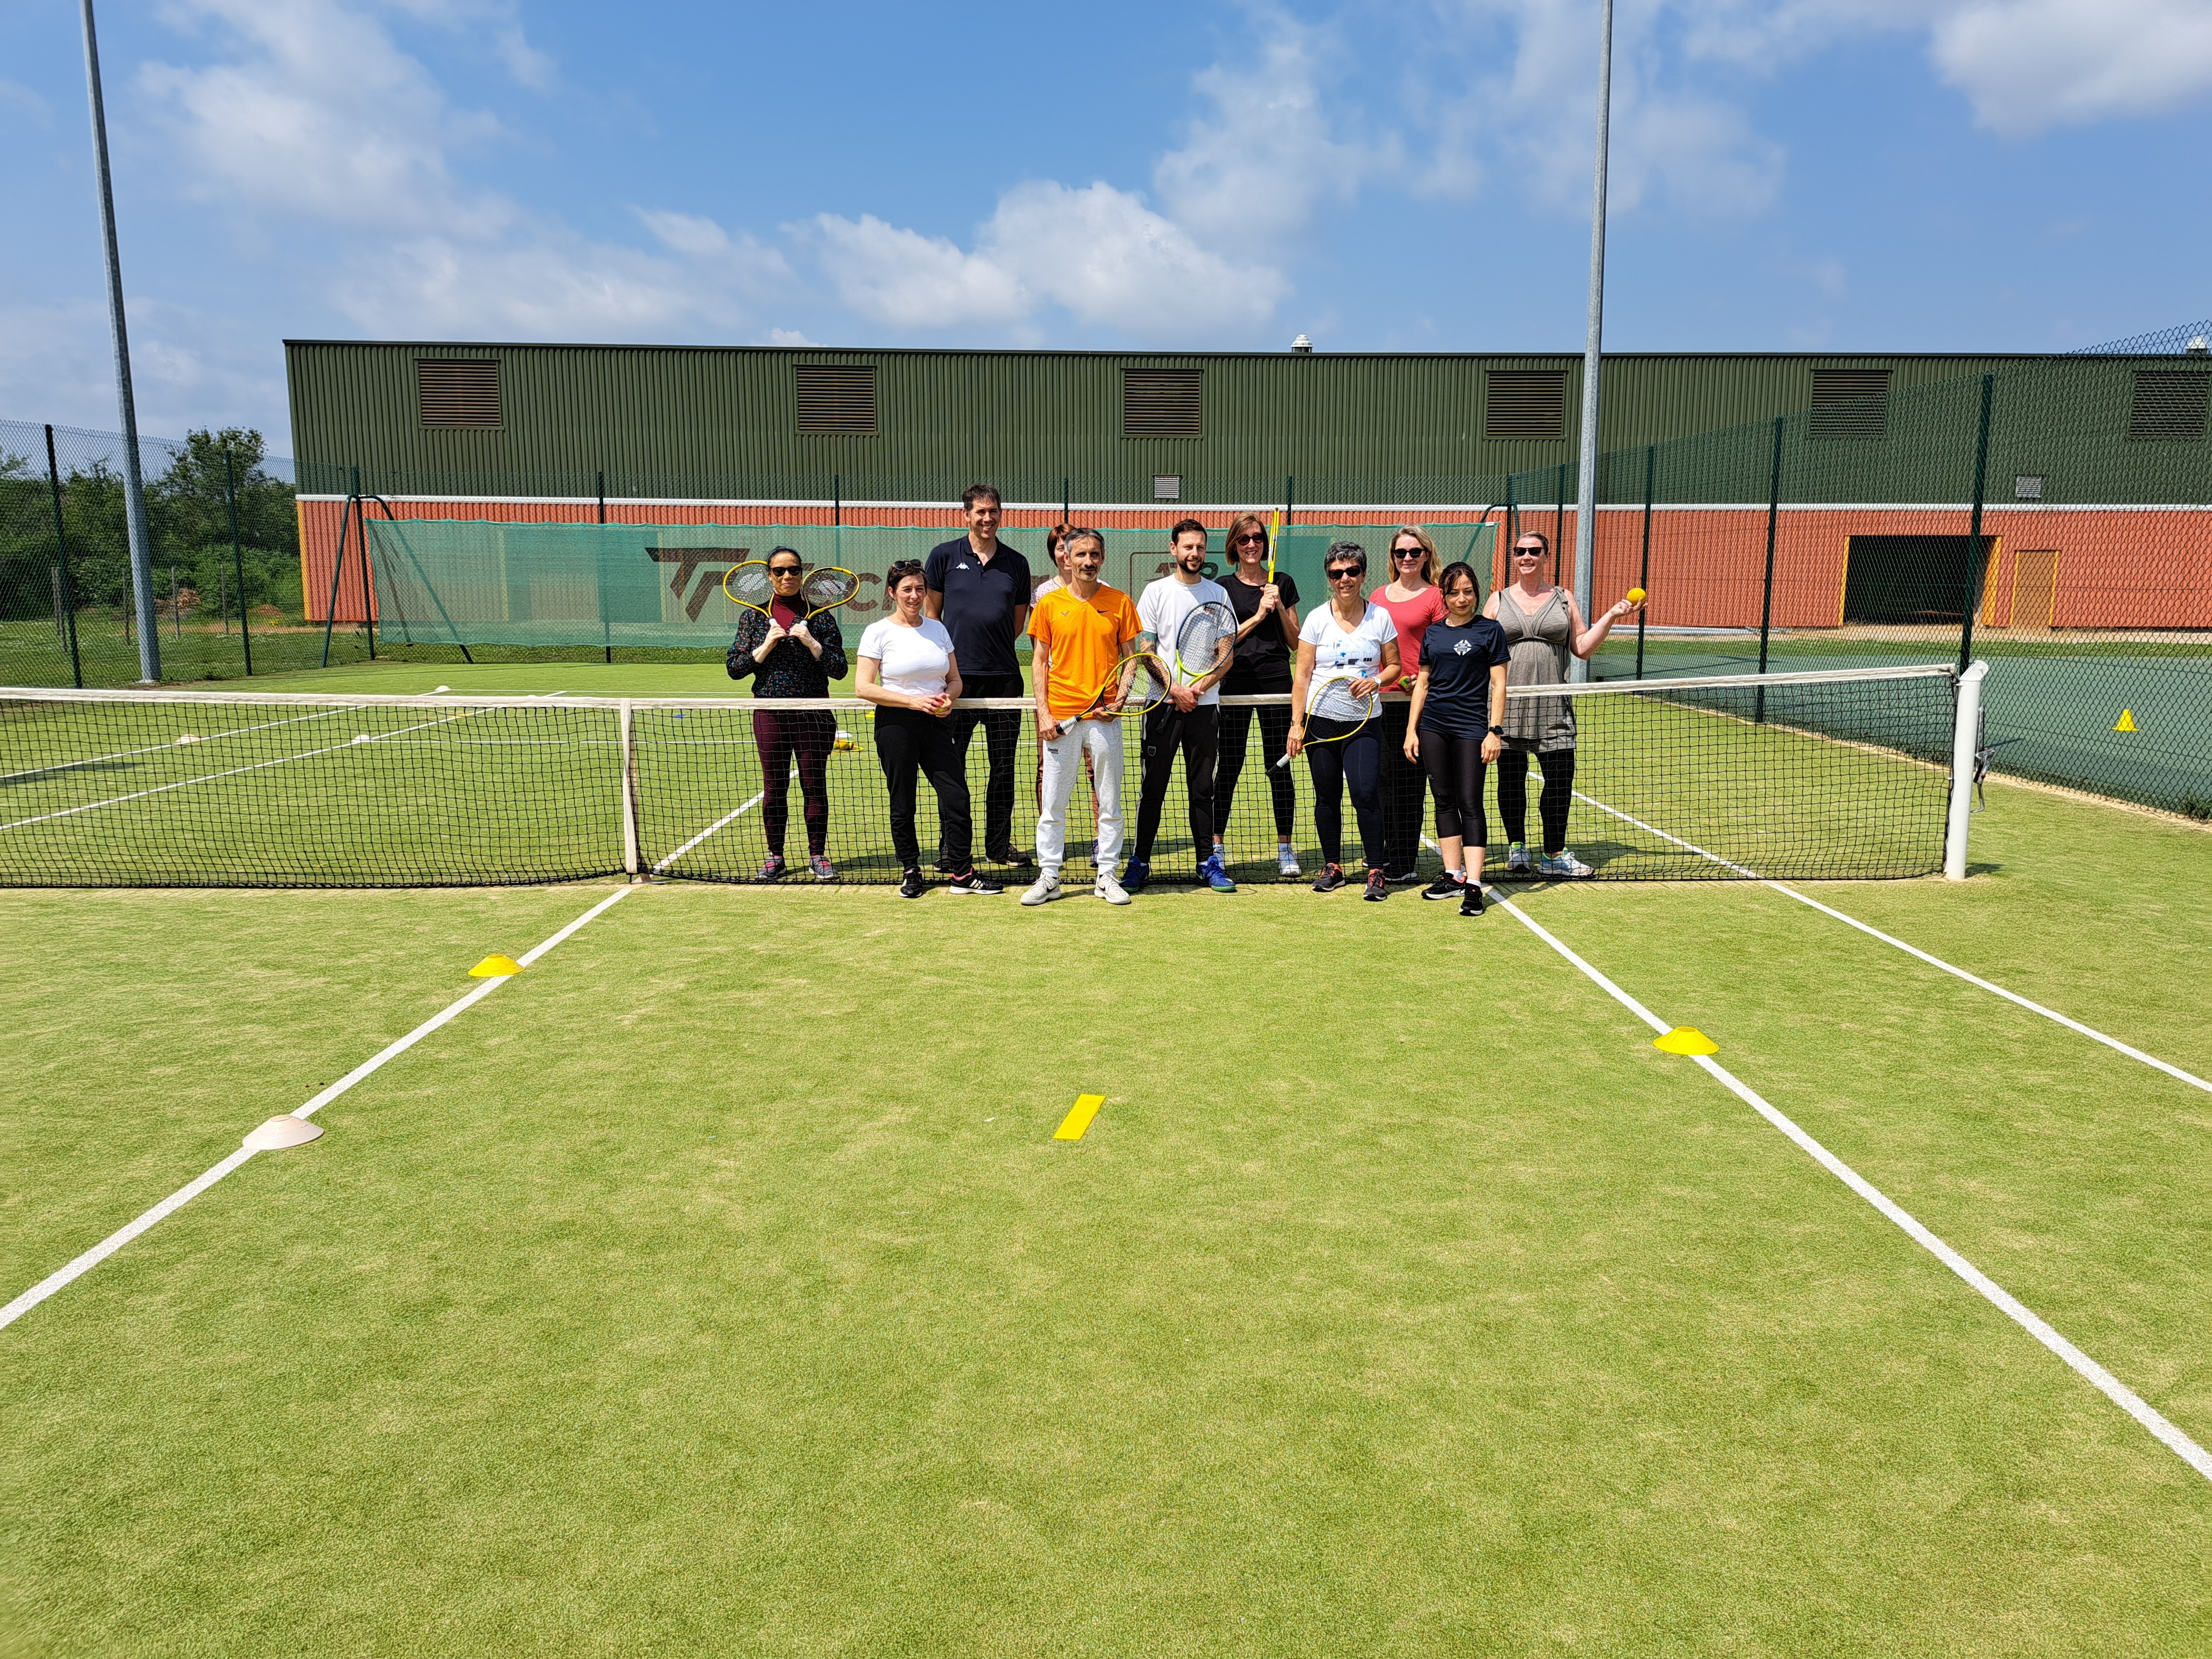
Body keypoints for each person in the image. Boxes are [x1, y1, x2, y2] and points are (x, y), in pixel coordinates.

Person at [1484, 530, 1642, 877]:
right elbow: (1482, 652)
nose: (1526, 556)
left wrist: (1612, 615)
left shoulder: (1563, 598)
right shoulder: (1497, 600)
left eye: (1534, 551)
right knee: (1511, 783)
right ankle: (1517, 848)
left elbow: (1582, 647)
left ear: (1546, 556)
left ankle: (1554, 854)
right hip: (1508, 708)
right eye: (1520, 551)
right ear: (1514, 557)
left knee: (1559, 783)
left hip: (1554, 709)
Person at [855, 559, 1001, 899]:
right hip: (896, 725)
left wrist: (948, 698)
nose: (914, 595)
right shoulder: (878, 632)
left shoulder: (938, 630)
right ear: (892, 593)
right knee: (903, 801)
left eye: (920, 589)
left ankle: (962, 873)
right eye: (907, 589)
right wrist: (912, 702)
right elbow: (863, 687)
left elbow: (955, 680)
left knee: (956, 796)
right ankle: (911, 870)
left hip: (937, 724)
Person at [1022, 529, 1142, 906]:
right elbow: (1039, 662)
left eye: (1094, 555)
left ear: (1102, 558)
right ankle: (1050, 876)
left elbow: (1132, 658)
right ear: (1067, 558)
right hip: (1061, 718)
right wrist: (1044, 714)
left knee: (1109, 803)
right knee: (1053, 805)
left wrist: (1119, 701)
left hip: (1105, 720)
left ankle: (1107, 875)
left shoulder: (1120, 602)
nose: (1088, 562)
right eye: (1081, 555)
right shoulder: (1048, 604)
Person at [925, 485, 1033, 869]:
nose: (987, 518)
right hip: (957, 682)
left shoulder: (1016, 563)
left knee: (1003, 768)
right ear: (966, 515)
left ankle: (998, 847)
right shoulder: (943, 556)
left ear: (1000, 514)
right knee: (951, 767)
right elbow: (932, 615)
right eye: (980, 512)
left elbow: (1016, 623)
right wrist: (953, 666)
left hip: (1005, 681)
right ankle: (952, 848)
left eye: (993, 512)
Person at [1127, 519, 1237, 893]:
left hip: (1204, 709)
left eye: (1200, 547)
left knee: (1202, 788)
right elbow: (1146, 650)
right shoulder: (1156, 592)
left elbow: (1226, 656)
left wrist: (1198, 689)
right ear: (1174, 549)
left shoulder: (1218, 595)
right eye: (1188, 547)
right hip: (1161, 706)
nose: (1195, 553)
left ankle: (1207, 862)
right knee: (1153, 788)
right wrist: (1174, 689)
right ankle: (1140, 862)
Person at [1287, 541, 1402, 901]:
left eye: (1352, 571)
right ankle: (1333, 867)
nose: (1345, 579)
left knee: (1365, 793)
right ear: (1329, 578)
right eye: (1337, 573)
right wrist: (1296, 724)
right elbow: (1302, 675)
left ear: (1363, 575)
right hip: (1321, 723)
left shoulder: (1380, 617)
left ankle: (1376, 870)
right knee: (1327, 795)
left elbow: (1395, 665)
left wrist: (1377, 680)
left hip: (1365, 724)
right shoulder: (1316, 619)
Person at [726, 545, 846, 881]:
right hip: (770, 712)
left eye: (793, 569)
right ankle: (775, 857)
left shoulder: (821, 617)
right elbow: (735, 668)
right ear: (769, 576)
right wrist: (765, 647)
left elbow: (839, 669)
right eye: (779, 571)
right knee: (774, 787)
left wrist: (813, 644)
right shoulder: (753, 617)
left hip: (814, 713)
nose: (787, 576)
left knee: (814, 785)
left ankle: (818, 856)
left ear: (802, 573)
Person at [1403, 561, 1509, 916]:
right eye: (1454, 593)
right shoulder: (1433, 633)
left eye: (1468, 592)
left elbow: (1499, 685)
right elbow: (1423, 684)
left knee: (1470, 802)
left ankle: (1474, 884)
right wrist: (1412, 730)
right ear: (1444, 596)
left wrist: (1494, 731)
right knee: (1444, 800)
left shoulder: (1491, 631)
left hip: (1472, 730)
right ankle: (1453, 875)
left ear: (1476, 592)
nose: (1462, 599)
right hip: (1434, 727)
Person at [1213, 513, 1303, 878]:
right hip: (1234, 681)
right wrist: (1257, 616)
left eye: (1257, 538)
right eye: (1244, 539)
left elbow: (1296, 642)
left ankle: (1285, 849)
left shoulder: (1282, 583)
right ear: (1234, 545)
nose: (1252, 545)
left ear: (1265, 543)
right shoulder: (1222, 587)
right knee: (1229, 767)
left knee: (1278, 766)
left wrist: (1277, 605)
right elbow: (1222, 642)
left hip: (1276, 681)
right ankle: (1216, 849)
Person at [1368, 526, 1447, 885]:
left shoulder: (1436, 596)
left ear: (1426, 555)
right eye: (1401, 553)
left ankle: (1404, 860)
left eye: (1415, 552)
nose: (1408, 558)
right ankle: (1387, 852)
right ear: (1393, 557)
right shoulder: (1377, 596)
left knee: (1410, 784)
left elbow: (1444, 645)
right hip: (1380, 701)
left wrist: (1425, 679)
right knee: (1381, 781)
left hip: (1419, 703)